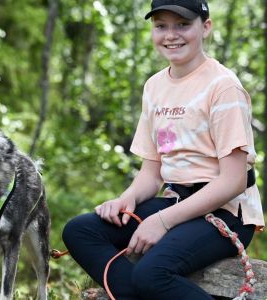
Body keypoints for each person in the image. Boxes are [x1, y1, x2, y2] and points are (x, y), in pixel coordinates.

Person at [62, 0, 265, 299]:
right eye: (161, 26)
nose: (171, 34)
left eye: (182, 24)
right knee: (80, 231)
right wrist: (126, 199)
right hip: (176, 202)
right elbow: (152, 173)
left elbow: (233, 180)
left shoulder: (223, 87)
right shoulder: (154, 86)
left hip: (225, 213)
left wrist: (162, 221)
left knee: (152, 273)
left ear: (205, 27)